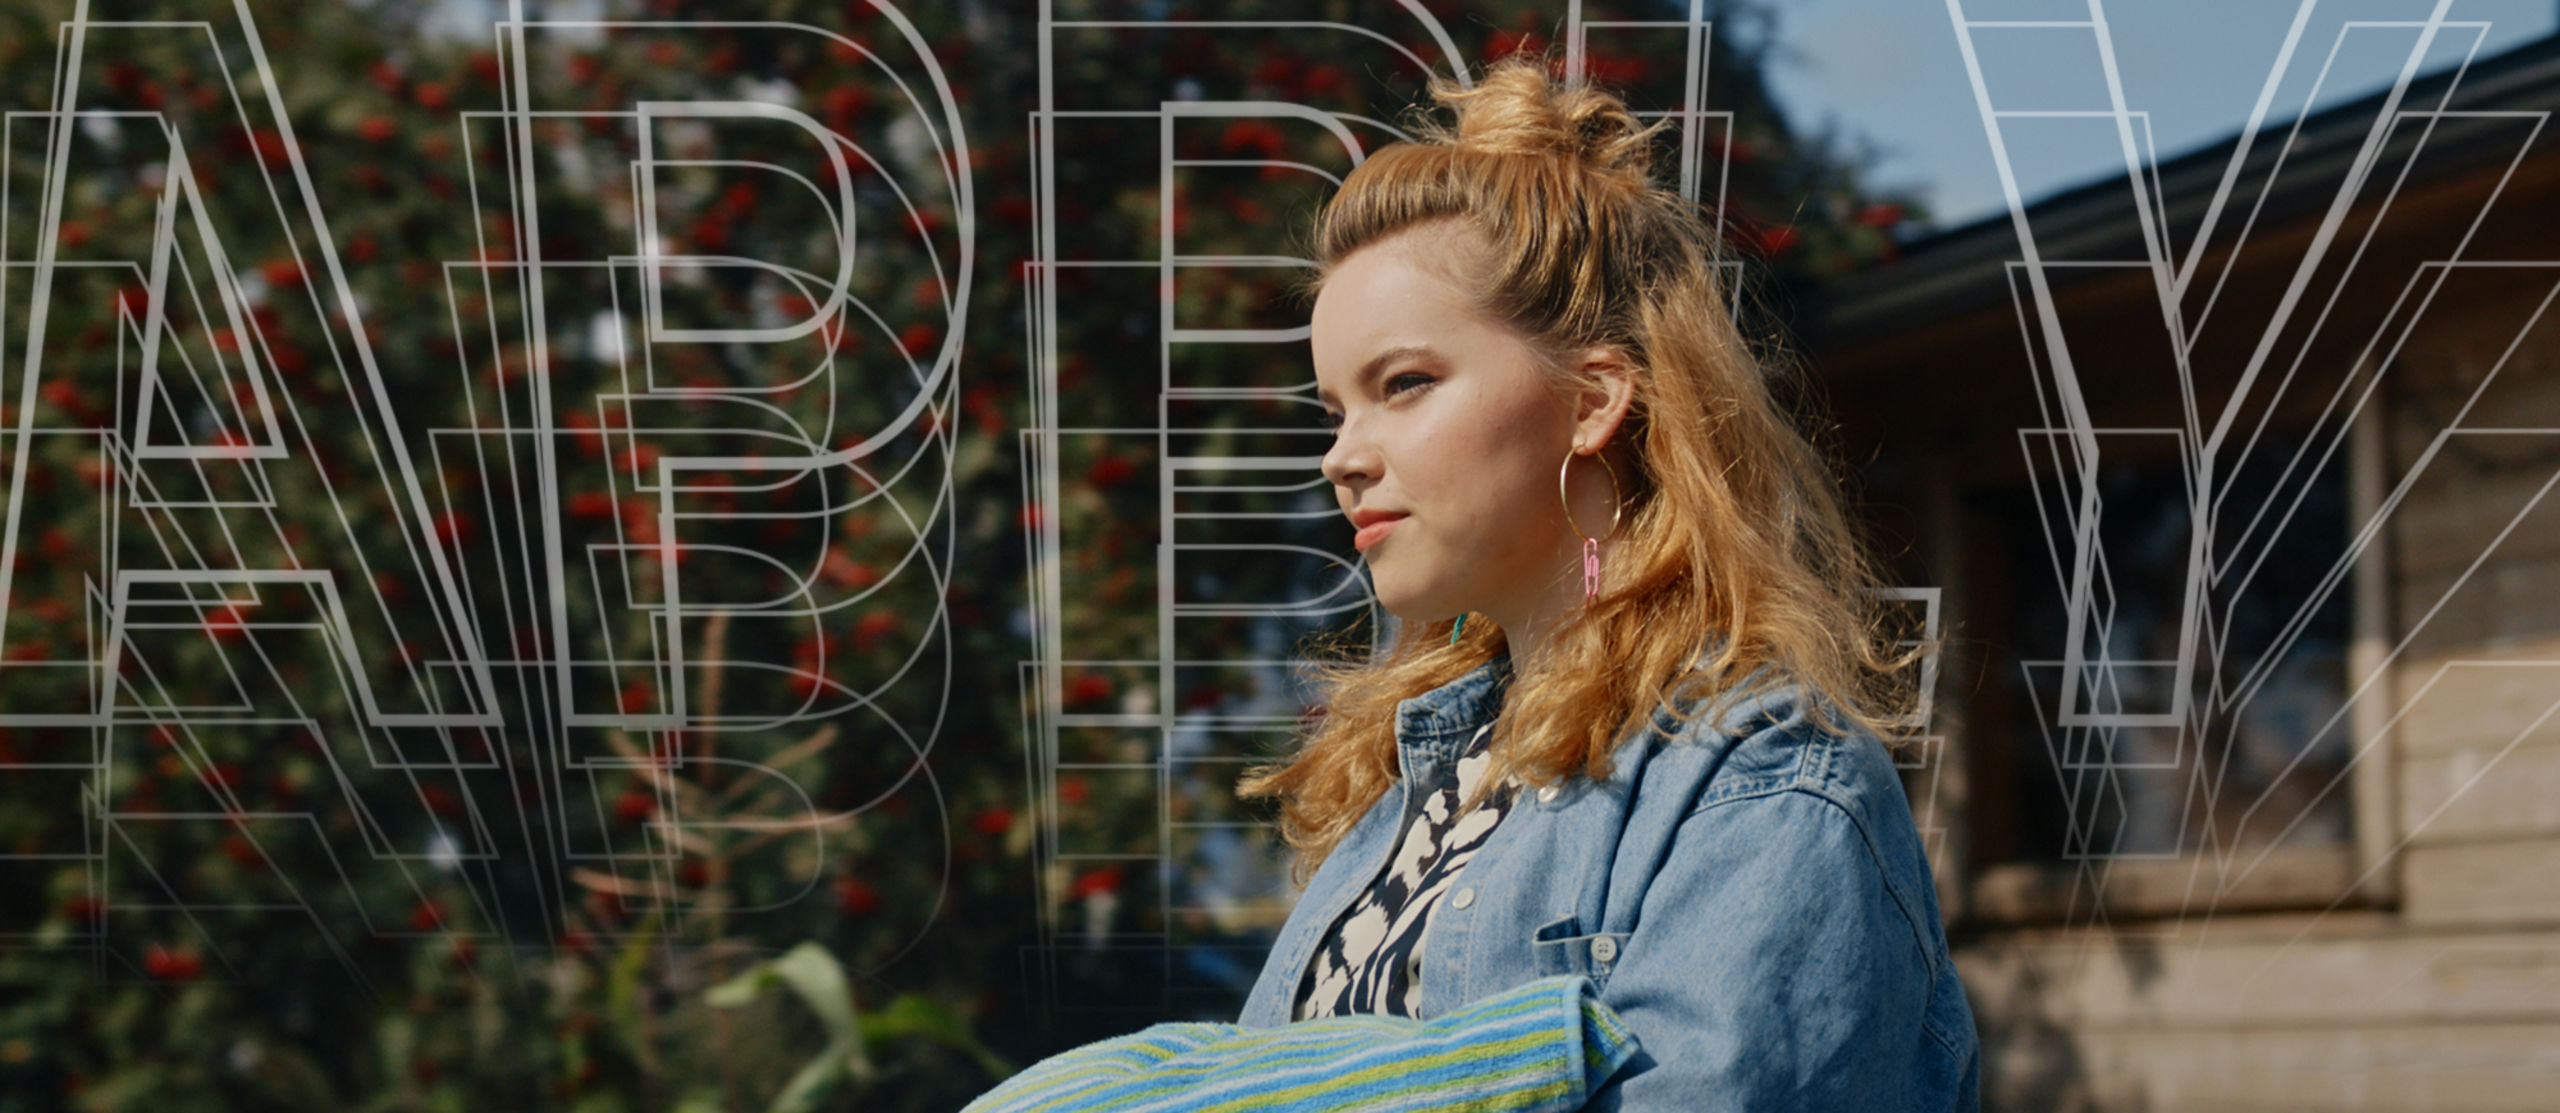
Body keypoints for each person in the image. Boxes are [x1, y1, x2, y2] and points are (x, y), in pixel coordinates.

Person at [1229, 58, 1983, 1111]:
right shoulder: (1395, 799)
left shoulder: (1758, 784)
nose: (1342, 456)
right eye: (1335, 409)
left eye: (1402, 385)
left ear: (1591, 402)